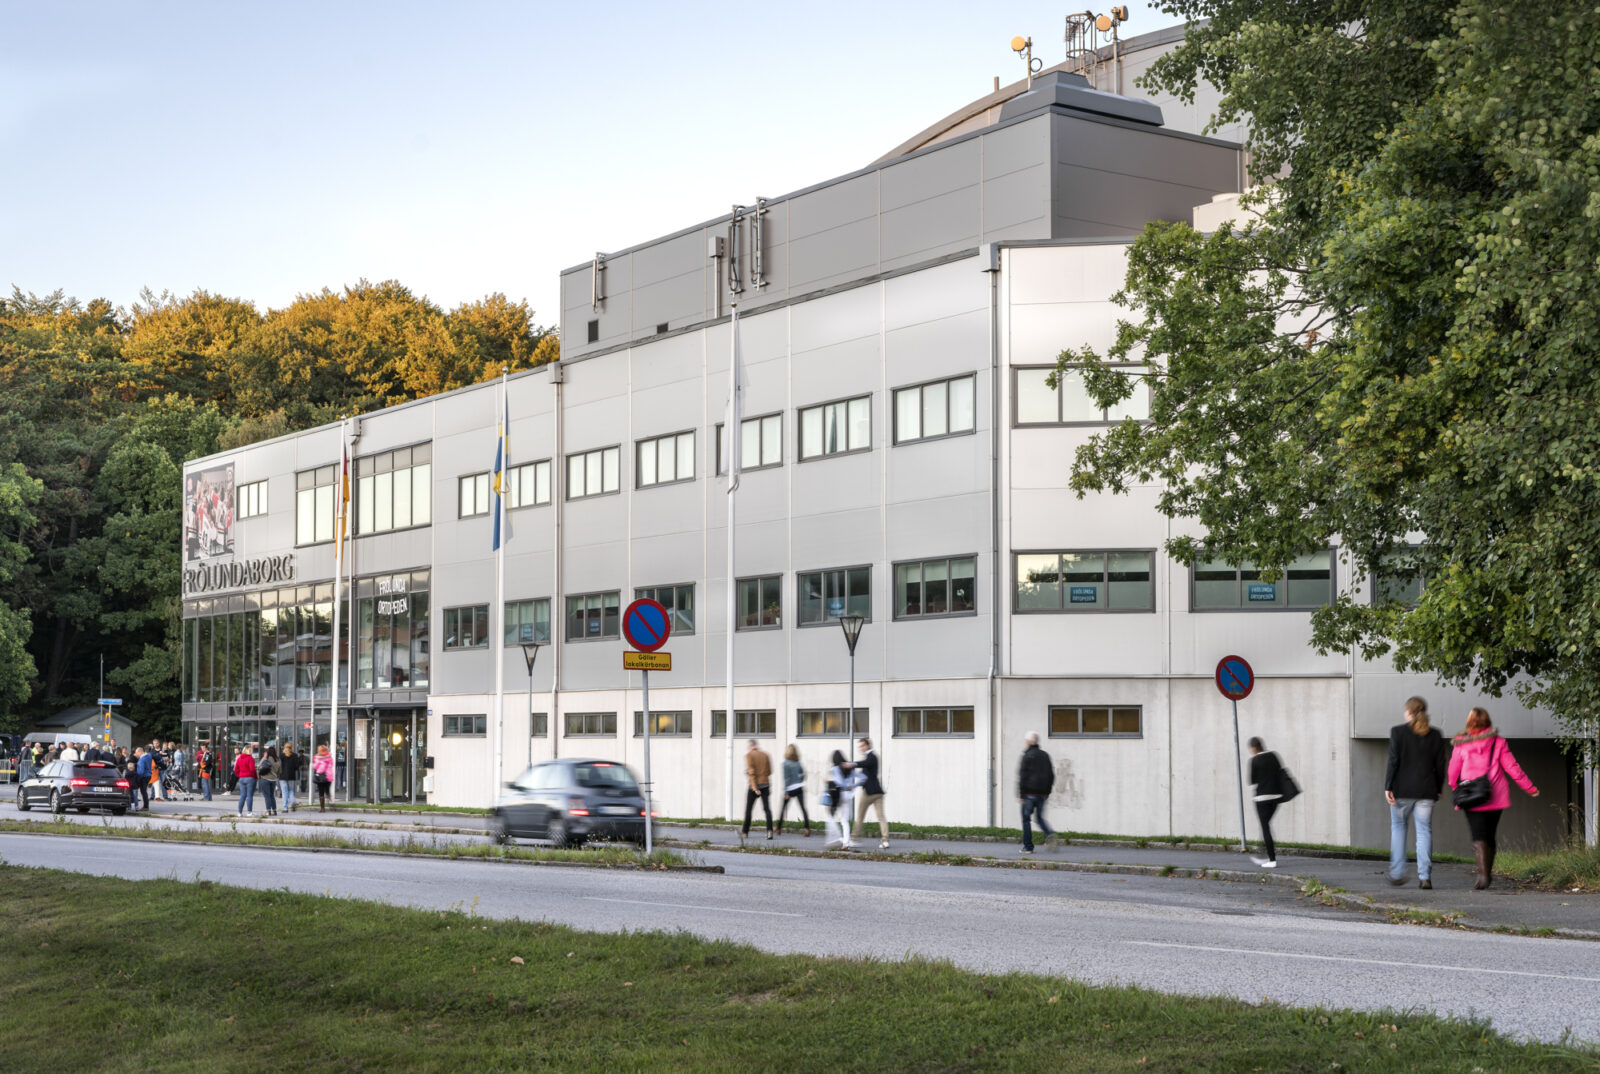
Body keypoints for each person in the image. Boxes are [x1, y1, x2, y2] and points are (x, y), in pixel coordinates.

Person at [1448, 707, 1539, 890]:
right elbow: (1512, 767)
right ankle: (1487, 873)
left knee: (1478, 835)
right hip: (1496, 795)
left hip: (1471, 796)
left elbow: (1453, 769)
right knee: (1490, 835)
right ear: (1488, 722)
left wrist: (1455, 786)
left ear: (1469, 722)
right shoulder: (1498, 742)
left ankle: (1483, 876)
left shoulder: (1461, 743)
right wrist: (1529, 787)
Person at [1385, 696, 1448, 889]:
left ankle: (1397, 873)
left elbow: (1393, 761)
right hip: (1426, 791)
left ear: (1409, 712)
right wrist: (1438, 788)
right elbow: (1440, 765)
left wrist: (1388, 786)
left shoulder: (1397, 732)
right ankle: (1425, 877)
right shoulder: (1435, 735)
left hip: (1401, 791)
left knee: (1398, 828)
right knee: (1424, 831)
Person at [1247, 737, 1290, 869]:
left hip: (1262, 798)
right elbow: (1280, 772)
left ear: (1254, 748)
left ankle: (1271, 859)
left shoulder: (1254, 760)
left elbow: (1252, 780)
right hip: (1276, 797)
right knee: (1266, 826)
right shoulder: (1273, 755)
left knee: (1265, 827)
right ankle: (1264, 853)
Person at [1017, 731, 1056, 855]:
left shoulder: (1027, 756)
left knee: (1026, 820)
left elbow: (1022, 776)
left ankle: (1028, 847)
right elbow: (1051, 775)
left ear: (1029, 742)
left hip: (1029, 794)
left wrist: (1021, 794)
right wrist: (1047, 792)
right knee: (1039, 818)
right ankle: (1050, 834)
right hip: (1042, 794)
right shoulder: (1045, 755)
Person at [852, 737, 890, 850]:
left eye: (863, 745)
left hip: (869, 793)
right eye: (860, 746)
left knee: (860, 816)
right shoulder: (870, 758)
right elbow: (864, 776)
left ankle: (855, 838)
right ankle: (885, 840)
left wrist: (852, 764)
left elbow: (865, 764)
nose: (861, 748)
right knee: (881, 817)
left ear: (868, 745)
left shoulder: (872, 757)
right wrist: (855, 785)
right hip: (877, 792)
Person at [825, 750, 861, 849]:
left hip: (838, 795)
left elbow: (837, 783)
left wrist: (828, 782)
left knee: (831, 815)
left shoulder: (834, 769)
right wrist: (854, 786)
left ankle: (835, 838)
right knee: (845, 820)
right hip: (847, 795)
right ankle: (846, 843)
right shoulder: (848, 768)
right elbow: (860, 778)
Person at [741, 739, 774, 844]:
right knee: (767, 809)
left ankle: (745, 832)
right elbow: (770, 771)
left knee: (749, 809)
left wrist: (755, 788)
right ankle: (769, 831)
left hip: (754, 786)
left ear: (751, 746)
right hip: (765, 784)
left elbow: (751, 772)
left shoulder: (749, 755)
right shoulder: (765, 755)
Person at [776, 744, 811, 837]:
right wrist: (800, 781)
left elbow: (786, 779)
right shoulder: (798, 763)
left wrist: (786, 792)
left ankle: (778, 828)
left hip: (790, 789)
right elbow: (803, 775)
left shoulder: (785, 764)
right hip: (799, 788)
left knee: (783, 808)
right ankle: (807, 829)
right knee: (803, 808)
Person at [234, 745, 258, 817]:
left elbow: (236, 769)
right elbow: (252, 769)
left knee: (242, 795)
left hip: (242, 778)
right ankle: (249, 812)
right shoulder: (250, 758)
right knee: (249, 795)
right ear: (248, 751)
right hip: (250, 778)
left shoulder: (239, 758)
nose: (252, 751)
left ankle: (239, 812)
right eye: (251, 750)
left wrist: (239, 775)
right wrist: (255, 776)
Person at [278, 743, 301, 812]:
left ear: (284, 747)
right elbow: (297, 767)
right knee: (291, 790)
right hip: (291, 776)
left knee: (284, 792)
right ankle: (293, 802)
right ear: (291, 747)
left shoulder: (281, 756)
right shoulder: (295, 755)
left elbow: (279, 766)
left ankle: (285, 808)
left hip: (282, 776)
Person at [258, 747, 280, 816]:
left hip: (265, 778)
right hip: (273, 779)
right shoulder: (278, 759)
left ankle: (268, 811)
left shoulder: (265, 758)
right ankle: (274, 810)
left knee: (267, 796)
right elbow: (280, 771)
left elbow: (259, 766)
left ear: (268, 752)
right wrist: (276, 776)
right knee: (272, 795)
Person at [134, 747, 155, 811]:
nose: (136, 754)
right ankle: (146, 806)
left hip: (143, 776)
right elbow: (150, 754)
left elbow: (141, 771)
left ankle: (146, 806)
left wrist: (138, 778)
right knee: (144, 791)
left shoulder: (142, 759)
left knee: (143, 791)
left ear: (140, 752)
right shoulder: (148, 756)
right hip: (148, 775)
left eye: (136, 753)